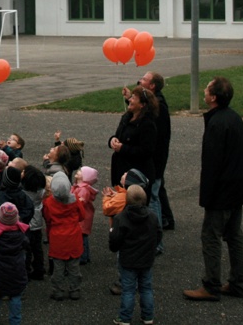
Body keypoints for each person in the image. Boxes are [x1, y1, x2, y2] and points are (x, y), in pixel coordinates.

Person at [184, 77, 243, 301]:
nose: (204, 91)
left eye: (207, 89)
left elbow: (212, 163)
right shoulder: (233, 117)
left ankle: (211, 285)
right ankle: (237, 282)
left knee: (211, 236)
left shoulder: (217, 123)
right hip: (237, 188)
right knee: (234, 235)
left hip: (222, 190)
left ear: (213, 97)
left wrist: (208, 196)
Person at [109, 184, 159, 325]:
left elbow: (115, 239)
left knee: (128, 290)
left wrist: (114, 248)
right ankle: (148, 316)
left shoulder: (121, 218)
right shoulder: (153, 217)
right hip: (146, 259)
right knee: (146, 288)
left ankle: (124, 318)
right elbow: (158, 234)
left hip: (128, 260)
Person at [0, 202, 30, 325]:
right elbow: (26, 244)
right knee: (15, 296)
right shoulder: (21, 234)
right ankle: (15, 321)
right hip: (16, 270)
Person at [42, 171, 85, 301]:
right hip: (73, 237)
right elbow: (82, 216)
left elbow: (47, 218)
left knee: (58, 268)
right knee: (74, 267)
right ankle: (74, 290)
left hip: (57, 238)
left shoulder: (48, 202)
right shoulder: (75, 200)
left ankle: (58, 291)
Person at [140, 70, 172, 239]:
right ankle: (166, 219)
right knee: (157, 190)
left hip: (155, 159)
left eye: (144, 79)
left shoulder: (159, 106)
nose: (140, 80)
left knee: (153, 195)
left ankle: (156, 234)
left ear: (152, 85)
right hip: (156, 158)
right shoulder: (156, 103)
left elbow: (156, 137)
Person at [109, 86, 158, 190]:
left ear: (142, 105)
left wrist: (123, 148)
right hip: (121, 173)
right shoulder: (127, 117)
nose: (129, 99)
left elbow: (146, 151)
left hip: (137, 177)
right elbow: (118, 136)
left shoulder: (147, 124)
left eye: (134, 98)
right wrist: (112, 140)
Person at [71, 166, 100, 264]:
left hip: (82, 217)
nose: (78, 172)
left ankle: (83, 257)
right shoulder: (81, 188)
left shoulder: (83, 189)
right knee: (83, 236)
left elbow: (79, 203)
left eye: (80, 172)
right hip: (85, 216)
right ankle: (85, 256)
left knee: (81, 237)